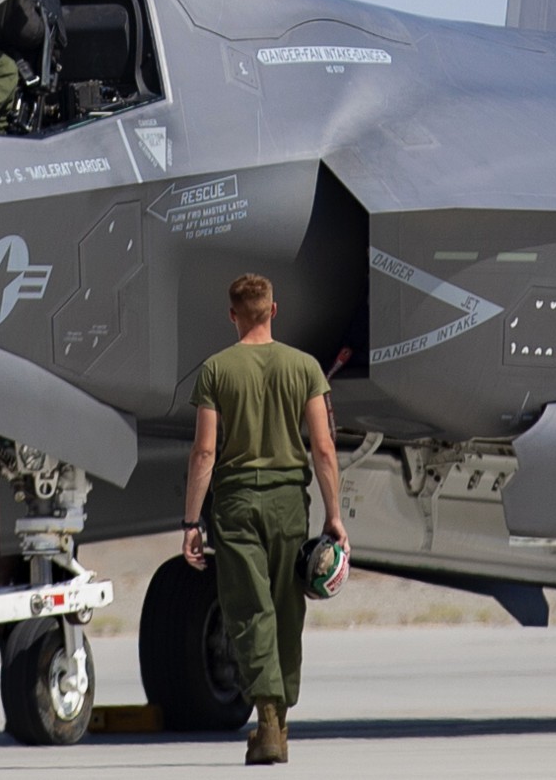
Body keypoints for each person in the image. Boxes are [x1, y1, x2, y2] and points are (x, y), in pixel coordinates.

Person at [180, 275, 348, 766]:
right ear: (275, 310)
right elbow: (322, 447)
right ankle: (278, 717)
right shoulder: (305, 368)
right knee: (285, 609)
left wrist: (192, 521)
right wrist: (334, 516)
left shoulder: (215, 370)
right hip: (288, 504)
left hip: (235, 505)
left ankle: (269, 721)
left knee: (249, 610)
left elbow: (205, 450)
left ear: (233, 316)